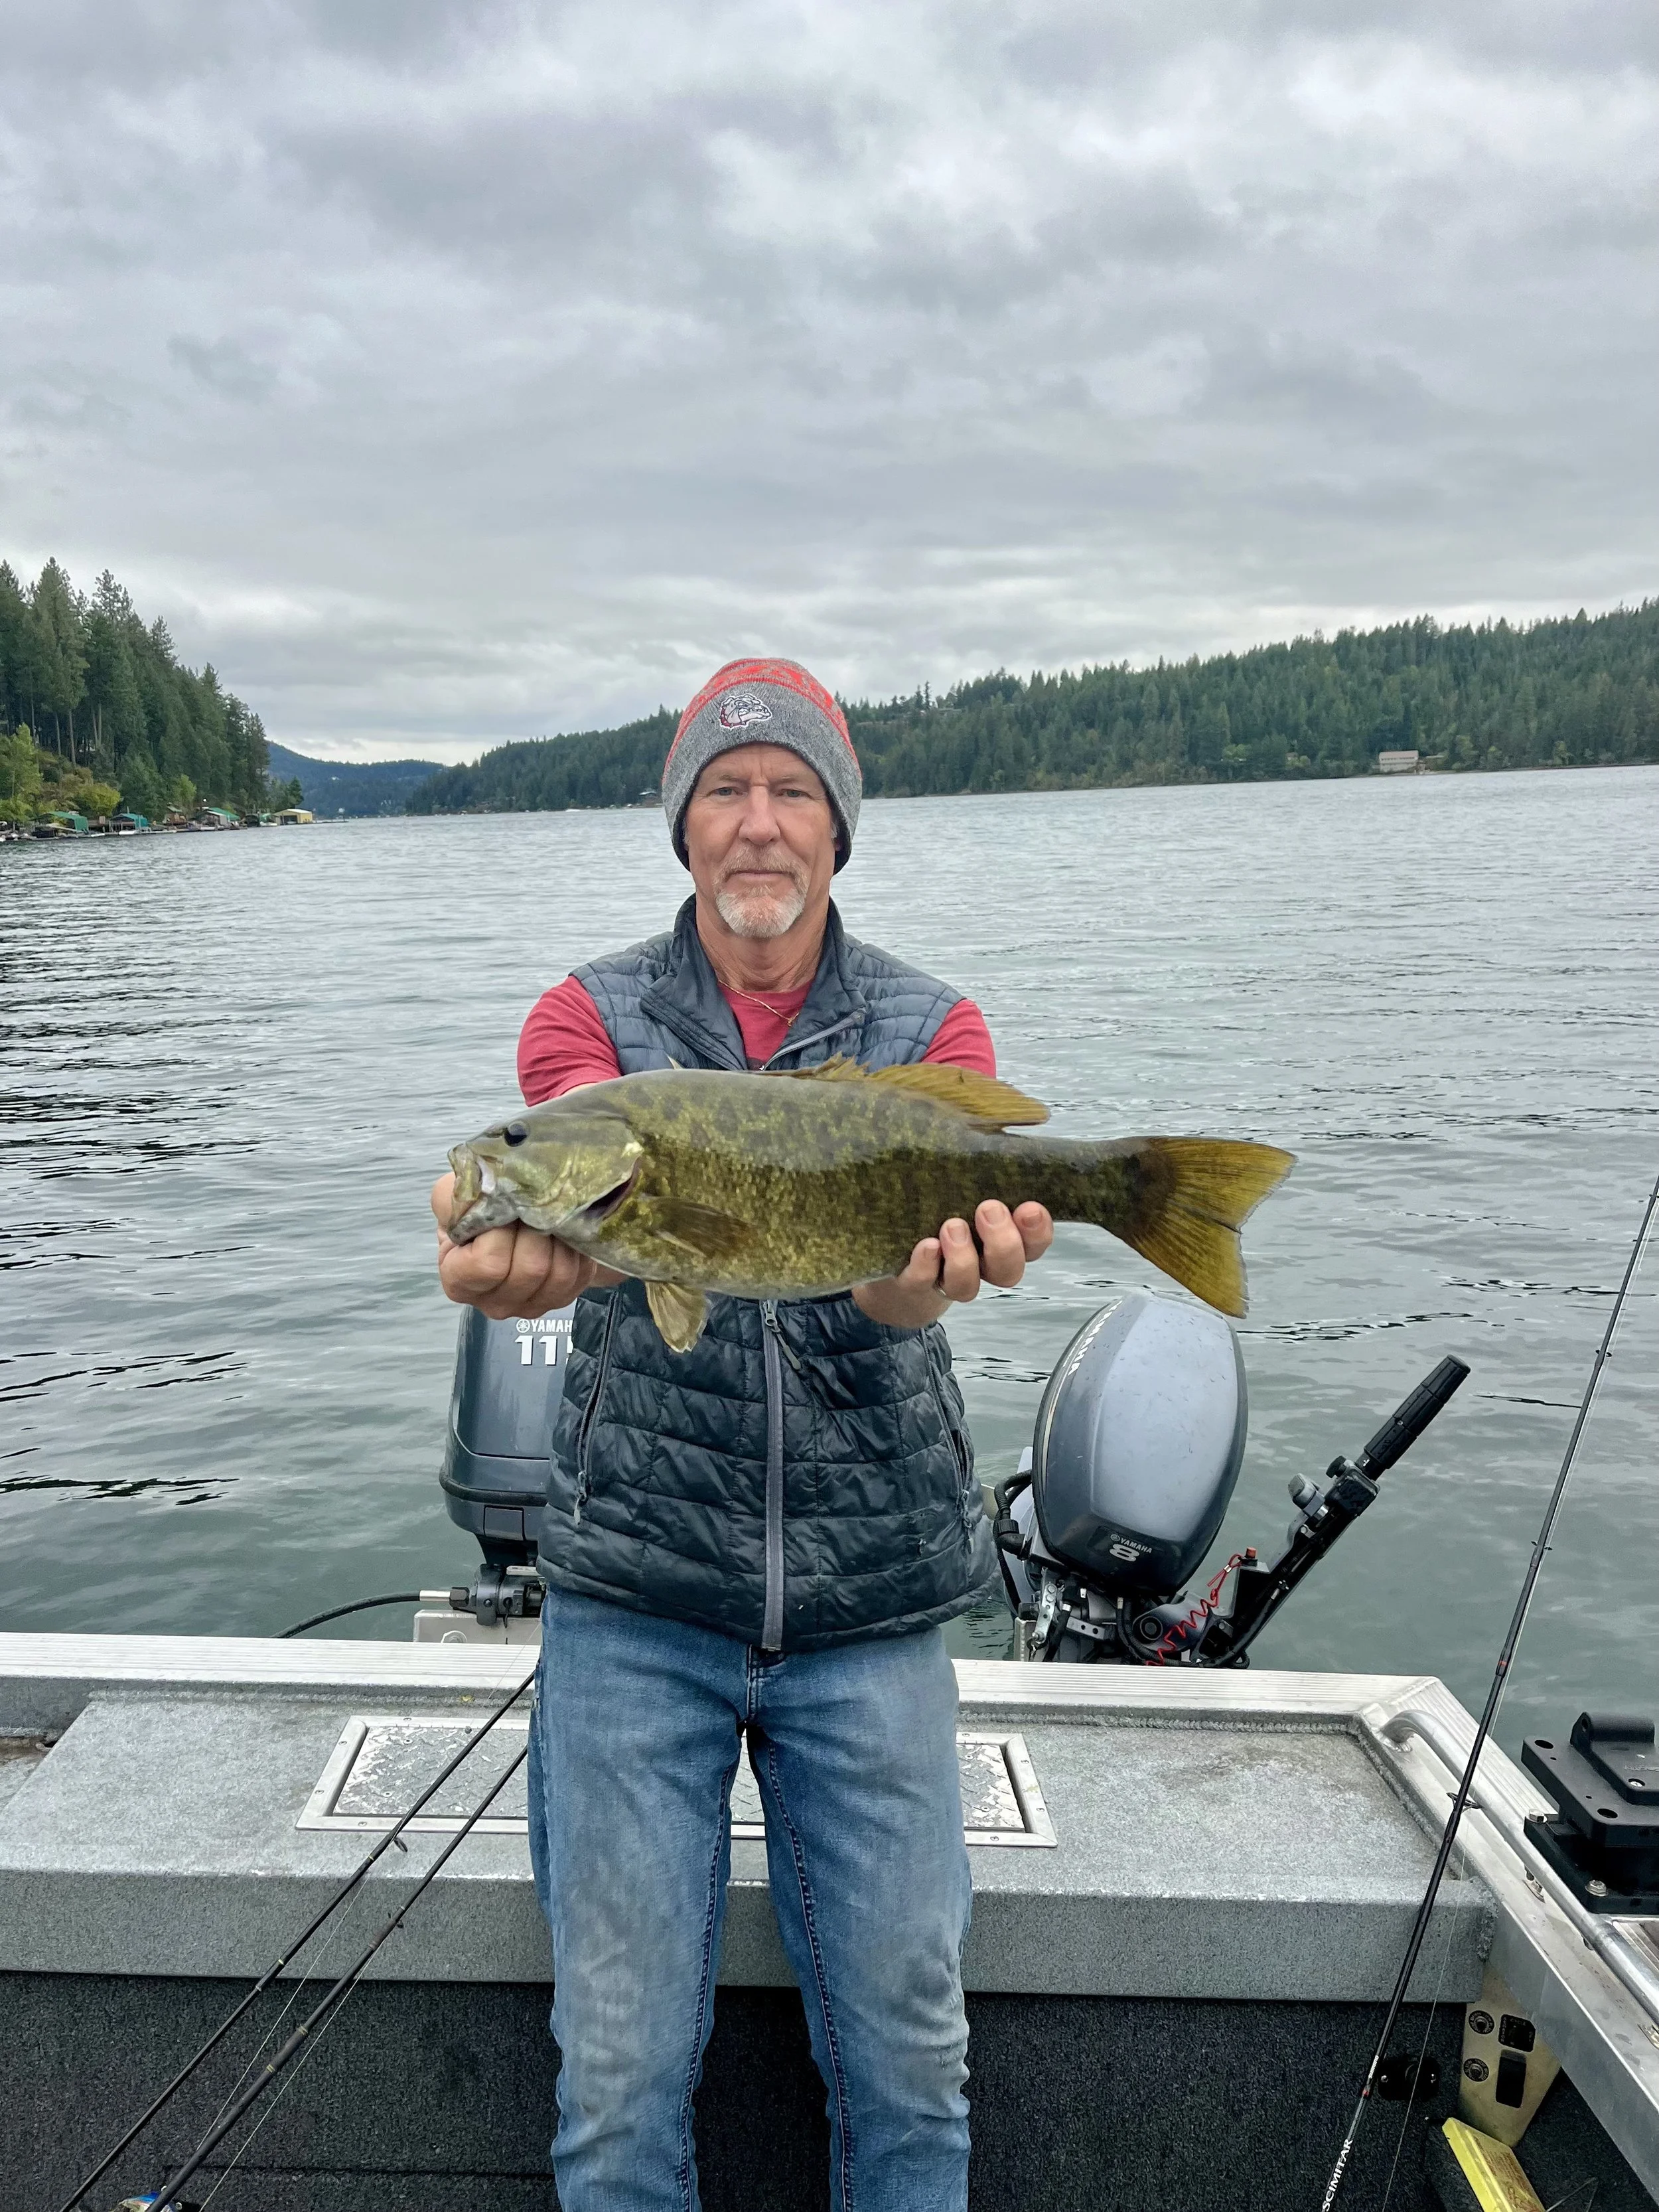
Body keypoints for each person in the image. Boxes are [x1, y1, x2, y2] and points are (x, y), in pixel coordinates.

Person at [431, 657, 1053, 2212]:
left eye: (790, 792)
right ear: (683, 829)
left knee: (914, 2060)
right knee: (622, 2071)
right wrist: (523, 1221)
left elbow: (907, 1292)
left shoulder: (934, 1025)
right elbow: (568, 1191)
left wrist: (915, 1290)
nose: (756, 824)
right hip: (637, 1592)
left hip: (873, 1599)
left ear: (838, 829)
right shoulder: (589, 1023)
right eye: (723, 791)